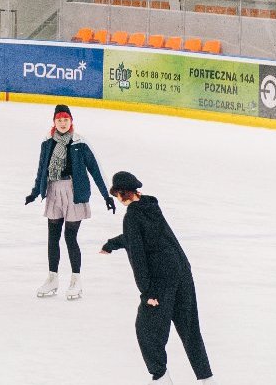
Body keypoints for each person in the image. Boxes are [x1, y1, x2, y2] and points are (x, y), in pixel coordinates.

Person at [101, 172, 213, 382]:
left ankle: (161, 378)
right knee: (190, 329)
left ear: (123, 194)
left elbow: (138, 256)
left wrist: (147, 292)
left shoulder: (132, 216)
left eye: (117, 195)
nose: (117, 199)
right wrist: (112, 244)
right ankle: (207, 379)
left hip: (162, 280)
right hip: (182, 271)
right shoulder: (151, 206)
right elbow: (142, 238)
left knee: (146, 331)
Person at [24, 103, 113, 300]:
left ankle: (76, 280)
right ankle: (52, 278)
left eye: (66, 120)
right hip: (54, 189)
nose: (63, 123)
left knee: (70, 237)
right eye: (59, 120)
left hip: (75, 192)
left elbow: (95, 170)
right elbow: (42, 169)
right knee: (52, 237)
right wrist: (34, 192)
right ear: (54, 122)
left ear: (71, 121)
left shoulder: (80, 143)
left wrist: (107, 195)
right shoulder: (47, 143)